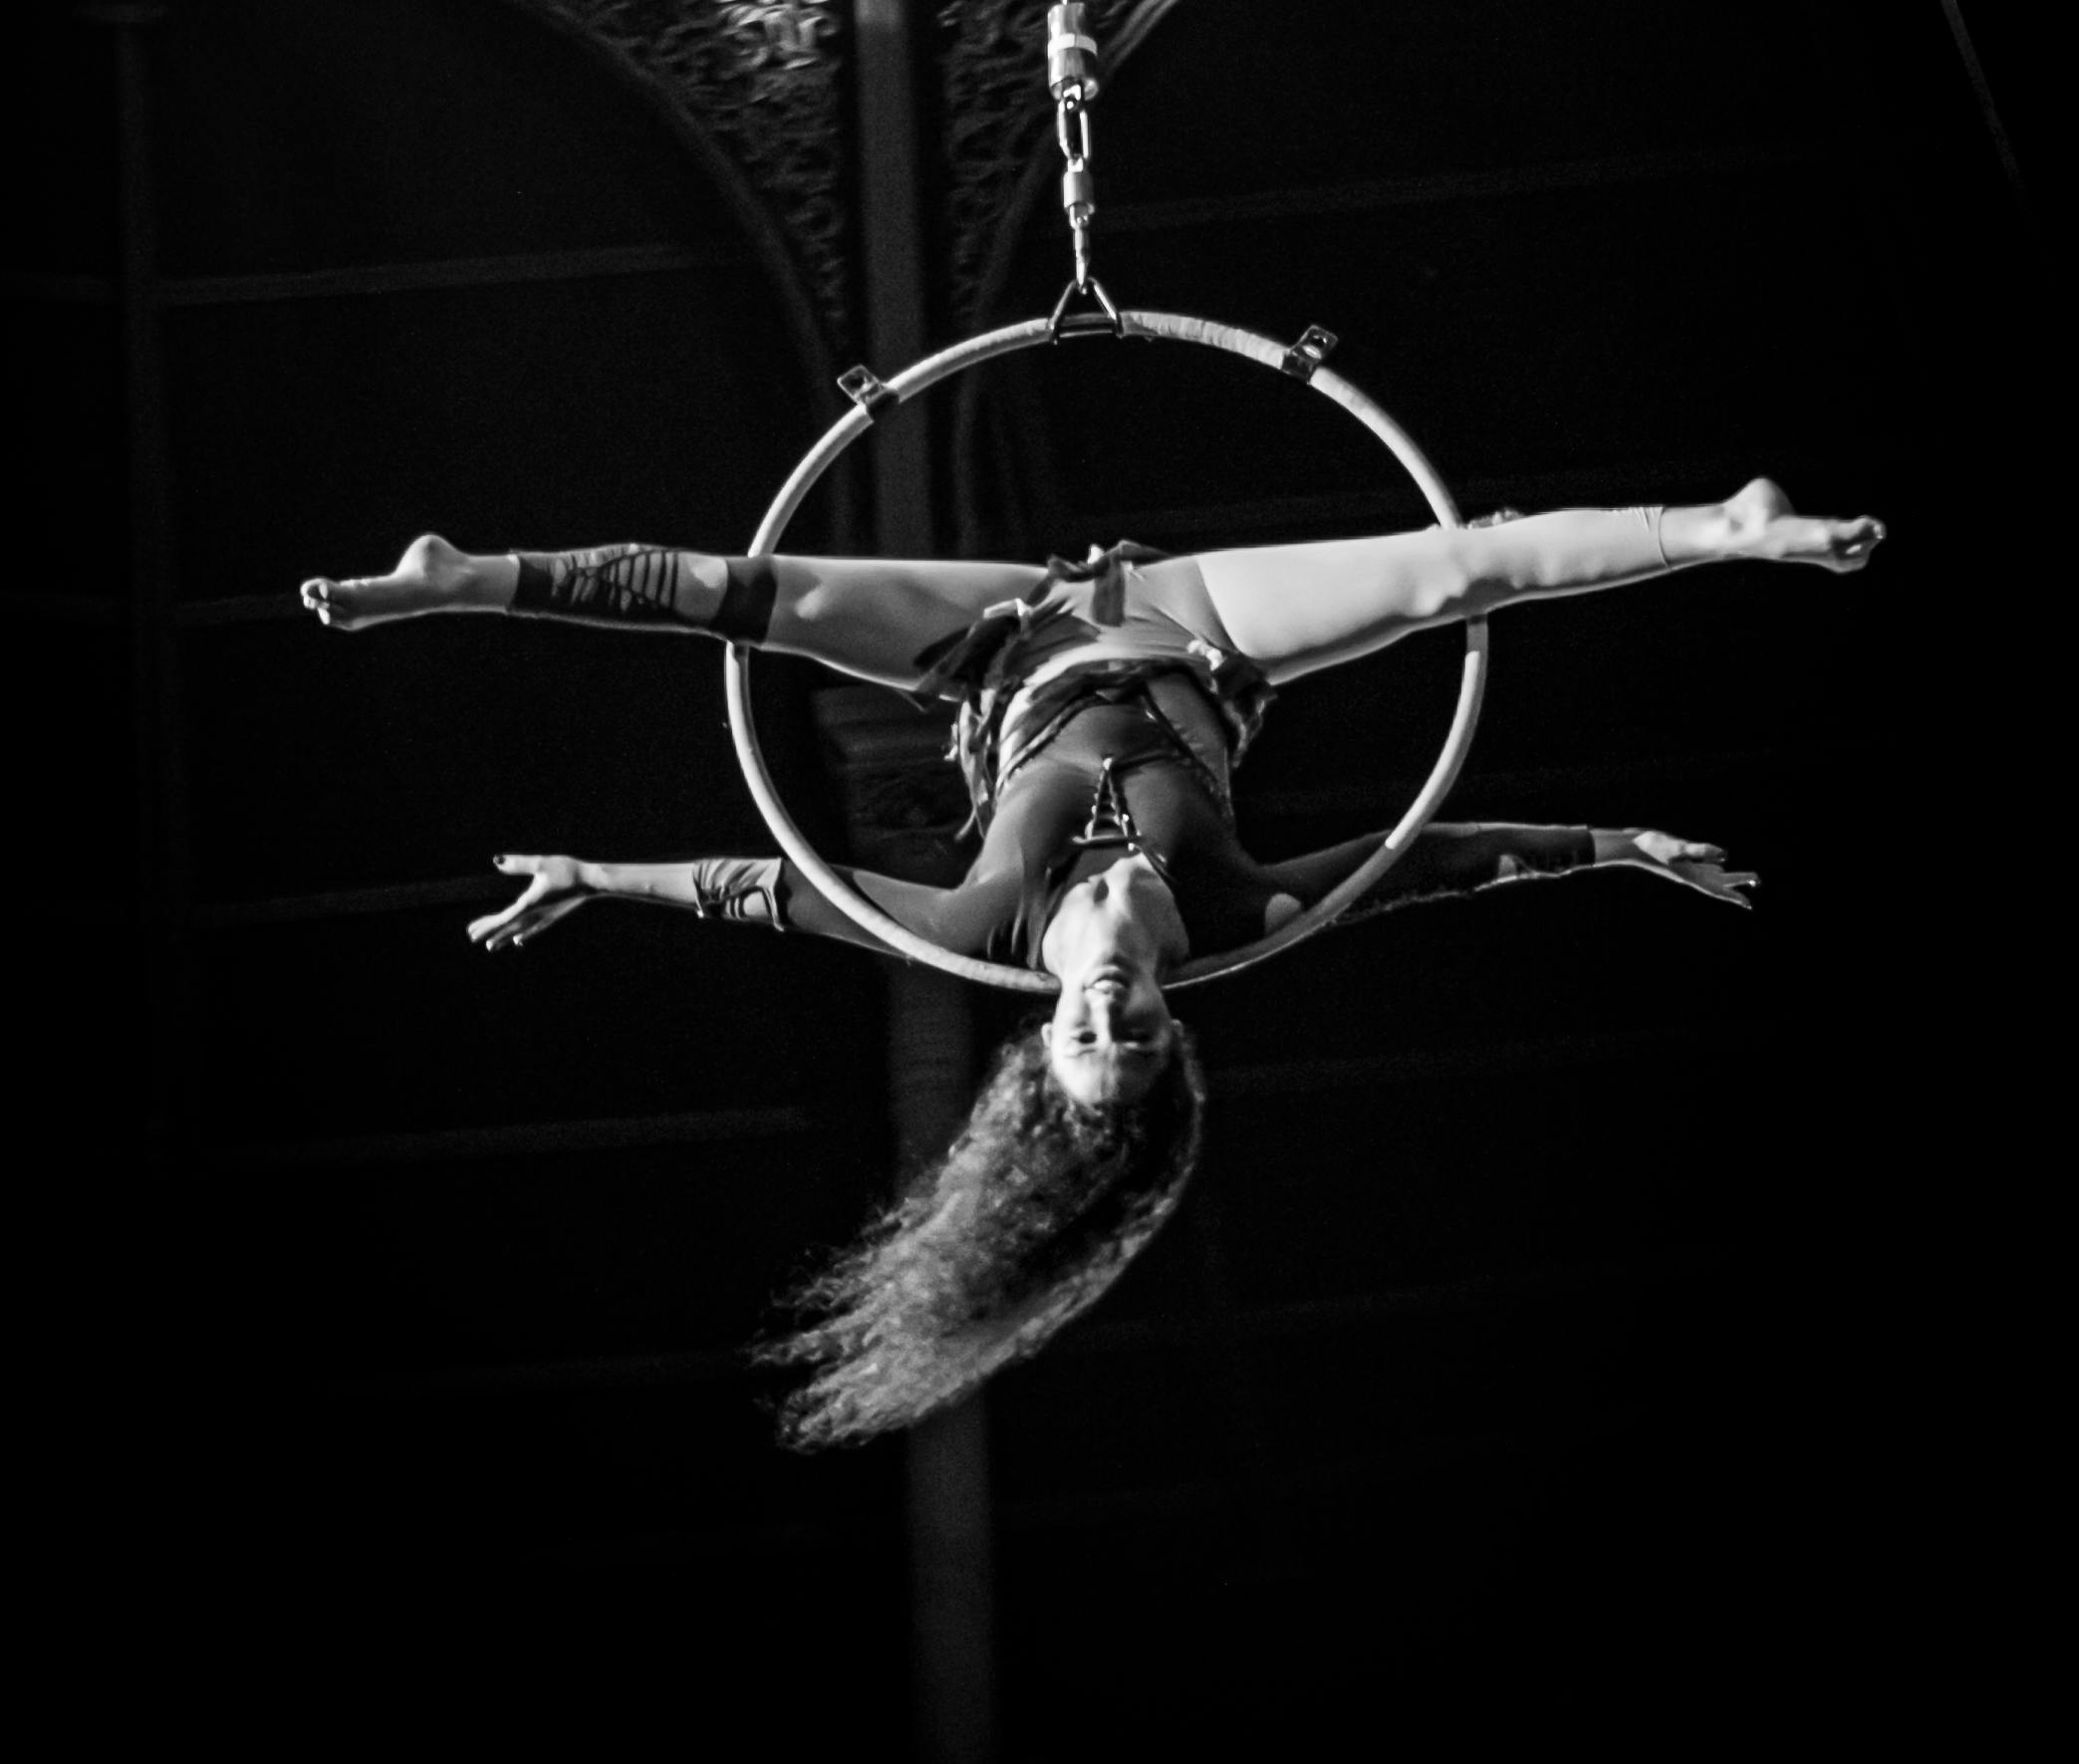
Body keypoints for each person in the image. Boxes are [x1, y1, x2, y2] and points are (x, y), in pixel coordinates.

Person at [302, 478, 1881, 1441]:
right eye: (1142, 1049)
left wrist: (589, 871)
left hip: (990, 653)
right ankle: (1722, 528)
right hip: (1206, 637)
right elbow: (1447, 861)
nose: (1114, 1024)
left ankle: (462, 574)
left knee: (740, 601)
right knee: (1459, 570)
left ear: (1046, 1042)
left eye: (1086, 1051)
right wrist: (1619, 847)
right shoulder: (1247, 919)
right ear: (1171, 1042)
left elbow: (753, 886)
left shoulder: (971, 932)